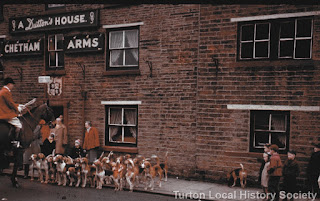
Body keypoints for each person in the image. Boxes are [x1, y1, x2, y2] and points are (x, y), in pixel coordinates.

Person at [0, 77, 25, 148]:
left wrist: (19, 105)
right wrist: (17, 109)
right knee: (19, 125)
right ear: (9, 84)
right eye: (12, 85)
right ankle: (15, 141)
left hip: (3, 112)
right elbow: (10, 104)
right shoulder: (6, 92)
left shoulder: (2, 91)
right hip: (5, 114)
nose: (13, 86)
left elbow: (9, 103)